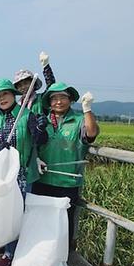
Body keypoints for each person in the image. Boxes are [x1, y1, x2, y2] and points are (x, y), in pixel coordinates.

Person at [0, 78, 48, 266]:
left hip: (23, 174)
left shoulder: (27, 115)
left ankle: (10, 254)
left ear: (13, 95)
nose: (2, 98)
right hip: (4, 174)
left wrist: (40, 128)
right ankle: (6, 243)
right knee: (4, 211)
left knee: (18, 215)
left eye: (5, 94)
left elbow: (40, 140)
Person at [32, 83, 99, 252]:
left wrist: (87, 109)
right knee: (40, 223)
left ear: (70, 100)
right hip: (42, 180)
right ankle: (41, 257)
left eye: (63, 97)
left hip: (68, 182)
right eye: (54, 98)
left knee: (64, 226)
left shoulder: (79, 120)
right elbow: (32, 145)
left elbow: (91, 134)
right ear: (49, 102)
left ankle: (62, 259)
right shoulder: (43, 120)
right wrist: (36, 158)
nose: (58, 102)